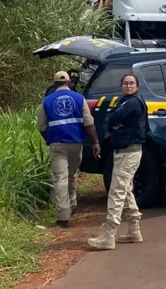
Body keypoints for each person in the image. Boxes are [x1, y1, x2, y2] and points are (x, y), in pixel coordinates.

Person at [88, 74, 149, 250]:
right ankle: (133, 230)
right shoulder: (125, 101)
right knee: (126, 190)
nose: (128, 85)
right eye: (125, 83)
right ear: (121, 86)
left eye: (131, 83)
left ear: (137, 86)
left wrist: (115, 125)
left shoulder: (132, 103)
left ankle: (109, 234)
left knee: (116, 192)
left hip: (128, 152)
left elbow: (113, 119)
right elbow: (111, 121)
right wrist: (114, 124)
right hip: (125, 152)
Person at [37, 71, 99, 228]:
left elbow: (41, 126)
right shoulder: (79, 98)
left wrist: (48, 140)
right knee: (72, 175)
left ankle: (63, 216)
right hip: (76, 143)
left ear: (54, 84)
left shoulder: (46, 101)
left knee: (60, 178)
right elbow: (88, 122)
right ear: (69, 83)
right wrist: (95, 142)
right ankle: (72, 204)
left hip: (57, 144)